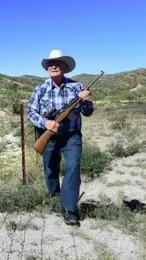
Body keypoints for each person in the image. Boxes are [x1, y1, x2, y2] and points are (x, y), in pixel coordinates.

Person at [27, 49, 94, 226]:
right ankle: (53, 195)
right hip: (48, 138)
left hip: (72, 137)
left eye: (57, 63)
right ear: (47, 68)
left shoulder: (77, 87)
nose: (54, 66)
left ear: (64, 67)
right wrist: (45, 123)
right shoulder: (40, 88)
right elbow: (31, 112)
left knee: (73, 168)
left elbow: (88, 112)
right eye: (51, 63)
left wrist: (86, 101)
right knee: (50, 171)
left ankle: (69, 209)